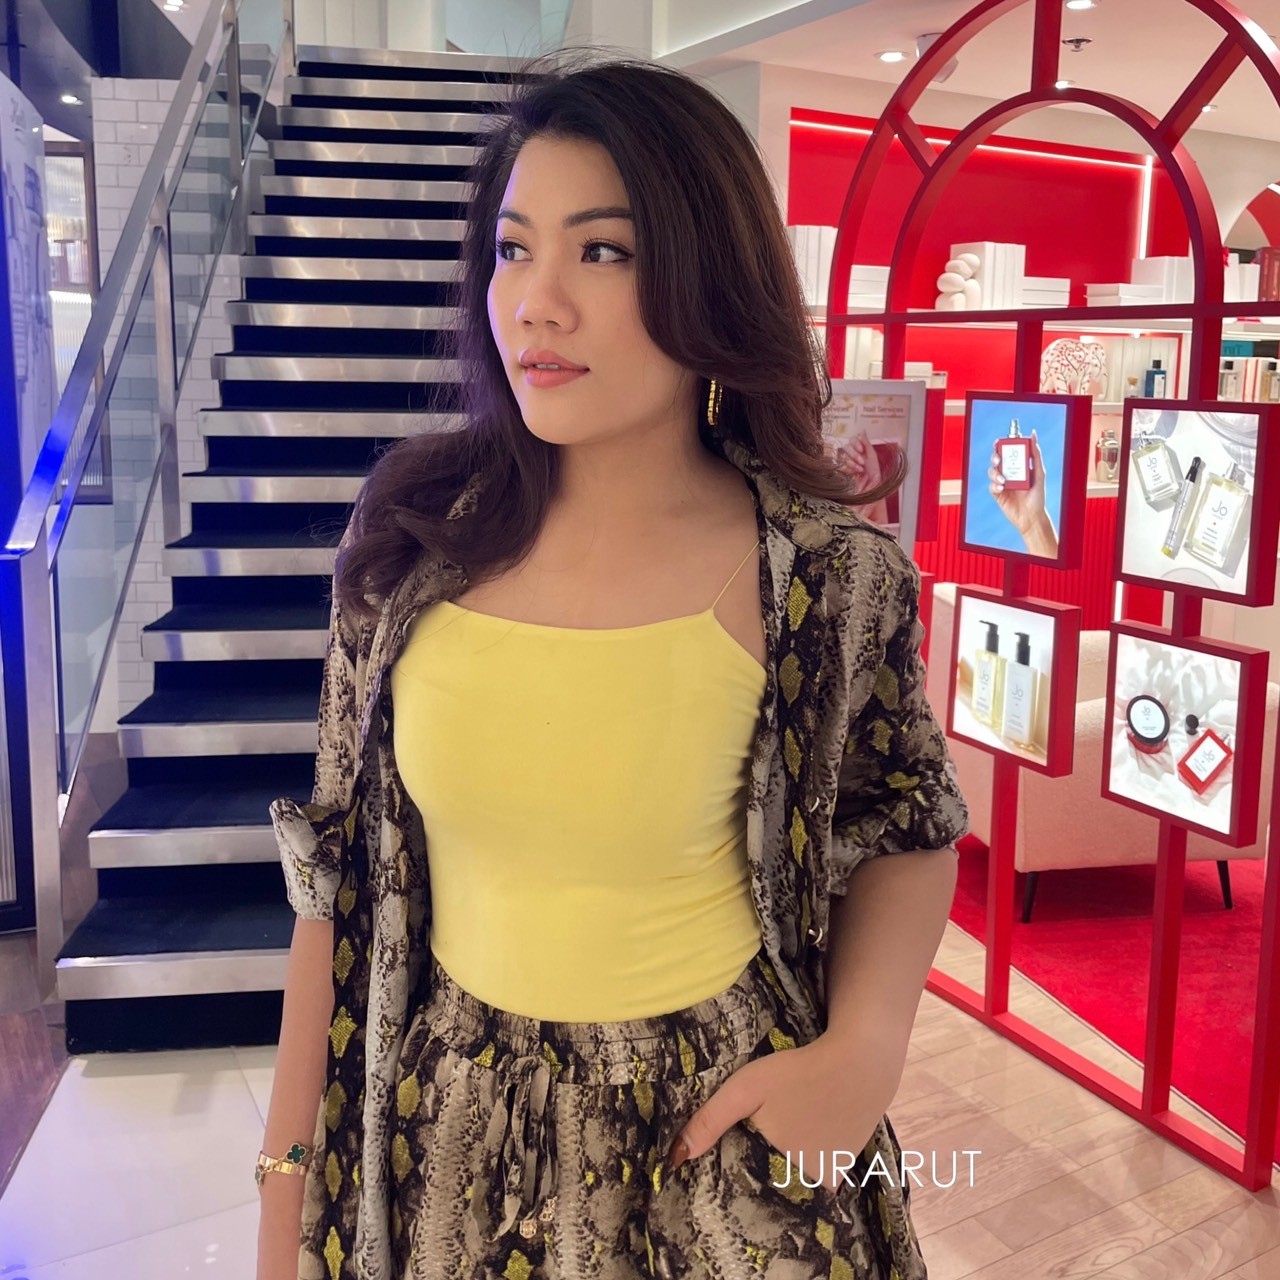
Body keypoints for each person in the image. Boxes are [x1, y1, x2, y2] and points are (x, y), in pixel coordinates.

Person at [256, 46, 970, 1280]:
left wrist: (864, 1047)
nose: (535, 302)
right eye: (511, 248)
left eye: (601, 251)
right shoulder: (409, 545)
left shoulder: (822, 575)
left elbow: (903, 817)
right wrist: (284, 1189)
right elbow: (334, 884)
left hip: (717, 1145)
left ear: (709, 277)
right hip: (445, 1140)